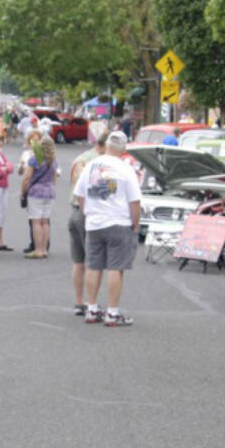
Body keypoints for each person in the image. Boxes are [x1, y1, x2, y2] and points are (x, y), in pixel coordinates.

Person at [73, 132, 142, 327]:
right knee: (115, 267)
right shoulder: (126, 168)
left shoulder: (92, 165)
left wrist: (88, 211)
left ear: (107, 145)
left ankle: (92, 308)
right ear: (123, 149)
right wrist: (135, 223)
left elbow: (79, 193)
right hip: (118, 222)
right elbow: (134, 201)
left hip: (94, 222)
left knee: (93, 266)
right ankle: (112, 312)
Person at [69, 132, 107, 315]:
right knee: (94, 261)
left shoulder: (80, 158)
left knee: (78, 261)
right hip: (89, 212)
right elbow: (99, 191)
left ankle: (79, 302)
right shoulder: (100, 163)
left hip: (75, 210)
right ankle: (92, 304)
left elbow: (74, 184)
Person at [20, 136, 58, 259]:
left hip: (36, 192)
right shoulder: (53, 161)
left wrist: (22, 191)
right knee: (45, 221)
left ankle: (38, 249)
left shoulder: (35, 160)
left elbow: (27, 177)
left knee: (36, 221)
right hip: (49, 191)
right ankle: (45, 249)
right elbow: (54, 179)